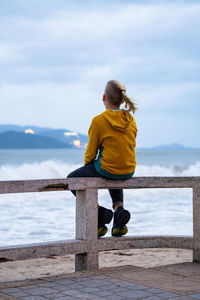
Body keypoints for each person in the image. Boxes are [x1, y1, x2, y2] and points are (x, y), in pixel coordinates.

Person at [67, 80, 137, 238]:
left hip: (107, 168)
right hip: (128, 169)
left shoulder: (99, 121)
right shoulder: (130, 119)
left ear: (103, 97)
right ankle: (119, 213)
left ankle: (100, 212)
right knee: (113, 169)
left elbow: (91, 152)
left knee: (71, 180)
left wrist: (88, 165)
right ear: (123, 100)